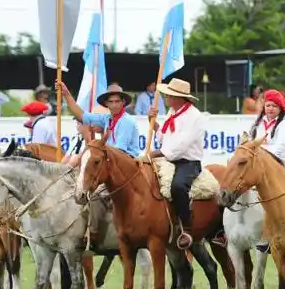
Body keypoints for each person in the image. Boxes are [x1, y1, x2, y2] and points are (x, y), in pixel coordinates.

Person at [146, 79, 206, 250]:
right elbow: (164, 136)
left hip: (188, 162)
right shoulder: (173, 111)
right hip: (169, 158)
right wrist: (154, 123)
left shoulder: (196, 117)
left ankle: (186, 227)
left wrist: (159, 153)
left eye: (169, 95)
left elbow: (182, 144)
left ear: (179, 97)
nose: (165, 97)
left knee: (178, 187)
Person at [248, 89, 285, 253]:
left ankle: (275, 234)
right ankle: (226, 230)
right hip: (255, 164)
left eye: (274, 106)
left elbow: (279, 150)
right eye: (268, 105)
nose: (270, 109)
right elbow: (249, 143)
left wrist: (258, 149)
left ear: (281, 108)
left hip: (277, 166)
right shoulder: (257, 123)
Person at [56, 82, 141, 158]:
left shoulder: (127, 121)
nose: (114, 105)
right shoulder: (107, 118)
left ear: (123, 102)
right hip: (112, 159)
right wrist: (66, 94)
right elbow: (82, 115)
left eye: (117, 101)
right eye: (111, 102)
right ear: (106, 104)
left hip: (127, 162)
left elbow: (119, 151)